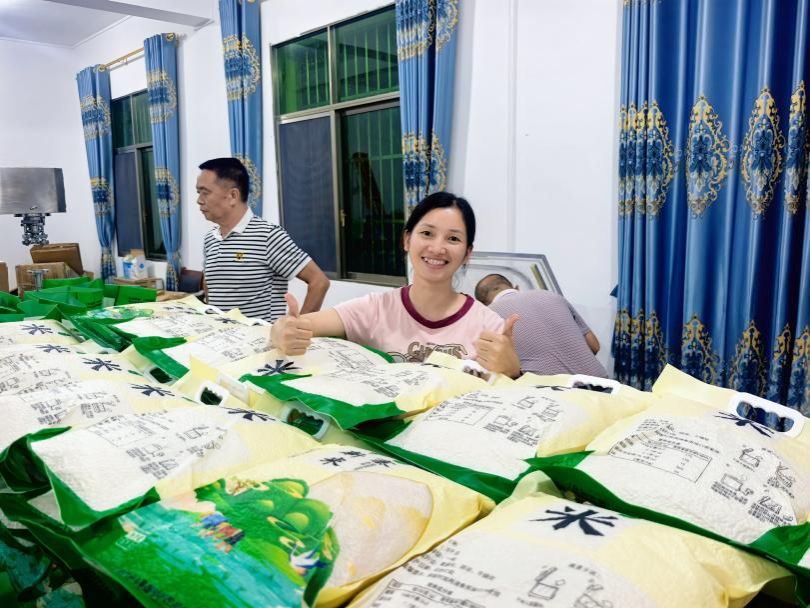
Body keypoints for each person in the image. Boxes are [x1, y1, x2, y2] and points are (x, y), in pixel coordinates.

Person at [271, 192, 521, 377]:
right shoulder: (375, 309)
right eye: (427, 233)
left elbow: (512, 396)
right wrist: (282, 331)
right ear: (407, 240)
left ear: (467, 253)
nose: (437, 248)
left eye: (453, 238)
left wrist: (512, 372)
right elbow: (299, 326)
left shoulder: (488, 325)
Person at [197, 157, 330, 322]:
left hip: (261, 337)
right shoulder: (210, 238)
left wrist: (298, 327)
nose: (199, 200)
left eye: (205, 192)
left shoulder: (268, 236)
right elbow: (211, 286)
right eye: (198, 193)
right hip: (220, 336)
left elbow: (319, 282)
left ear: (232, 195)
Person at [474, 273, 608, 378]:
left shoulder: (487, 316)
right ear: (516, 288)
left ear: (482, 304)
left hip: (553, 395)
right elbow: (594, 346)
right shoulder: (551, 295)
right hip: (604, 387)